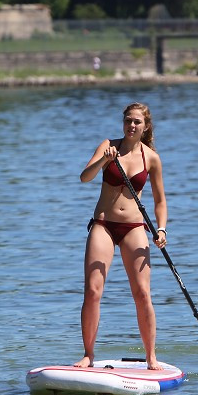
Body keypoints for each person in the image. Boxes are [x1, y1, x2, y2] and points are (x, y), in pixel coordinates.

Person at [74, 102, 167, 371]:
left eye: (137, 122)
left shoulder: (151, 158)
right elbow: (85, 177)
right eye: (128, 121)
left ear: (145, 127)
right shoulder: (107, 145)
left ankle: (151, 357)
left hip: (134, 228)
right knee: (92, 291)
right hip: (103, 225)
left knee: (142, 293)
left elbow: (160, 201)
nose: (131, 126)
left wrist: (161, 229)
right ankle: (88, 355)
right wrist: (104, 160)